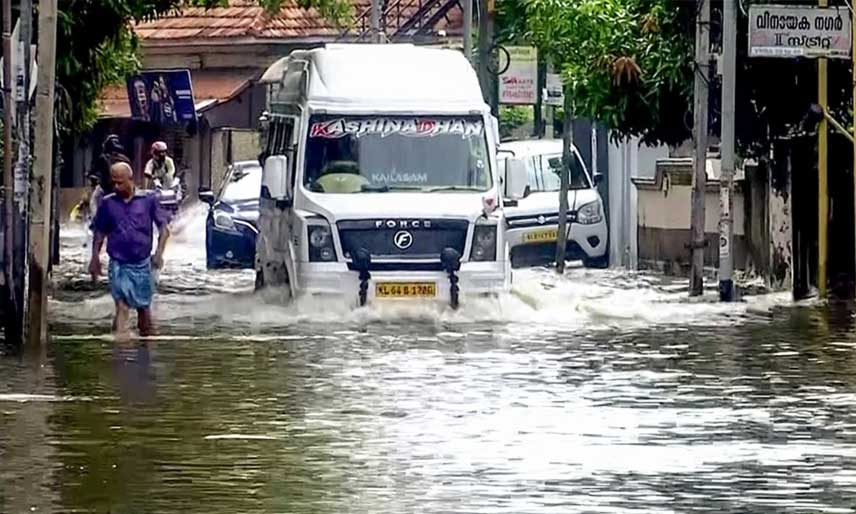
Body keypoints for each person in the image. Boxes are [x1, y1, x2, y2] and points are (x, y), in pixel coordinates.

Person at [89, 162, 171, 337]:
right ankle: (120, 349)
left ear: (131, 179)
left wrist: (159, 253)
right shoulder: (108, 203)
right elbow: (99, 233)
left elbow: (164, 229)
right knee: (122, 305)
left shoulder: (148, 200)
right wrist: (94, 258)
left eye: (120, 182)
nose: (117, 187)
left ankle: (145, 349)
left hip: (142, 264)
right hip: (118, 263)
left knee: (144, 310)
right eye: (114, 183)